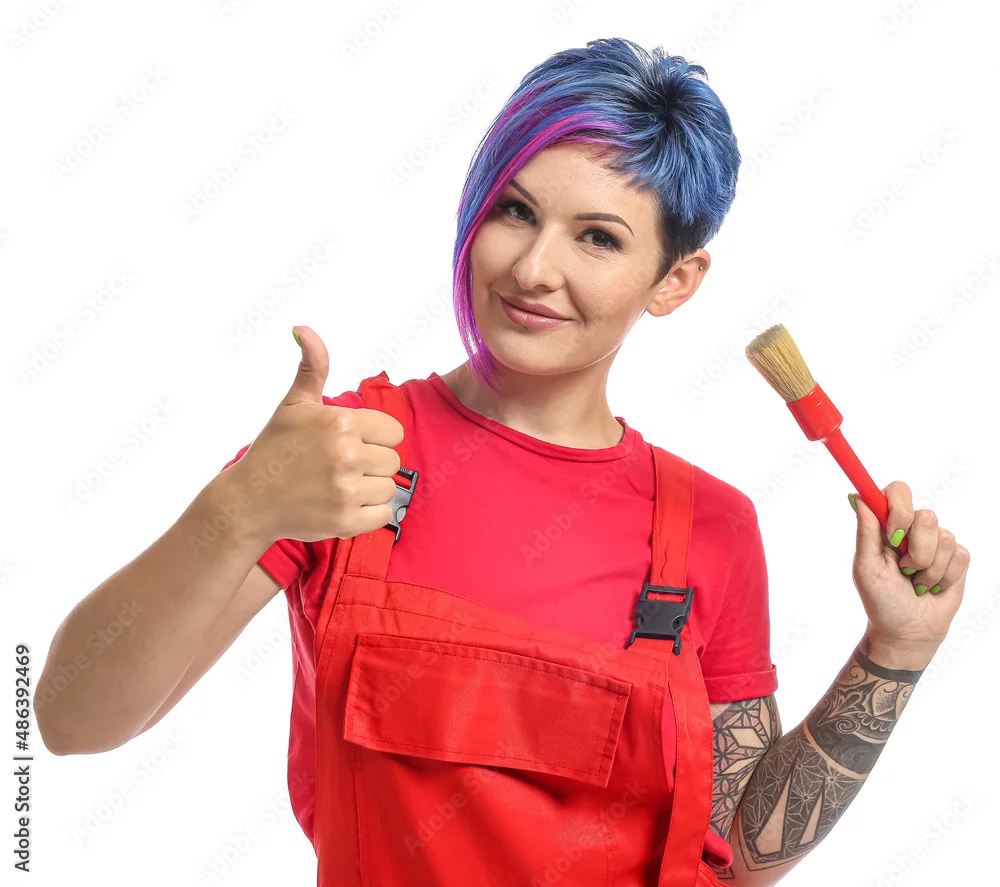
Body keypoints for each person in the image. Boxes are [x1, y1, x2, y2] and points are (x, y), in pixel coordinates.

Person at [35, 38, 970, 886]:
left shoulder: (709, 528)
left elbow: (733, 849)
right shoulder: (349, 451)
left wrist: (893, 655)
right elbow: (73, 720)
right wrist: (238, 508)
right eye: (515, 211)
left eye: (597, 237)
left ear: (675, 279)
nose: (531, 269)